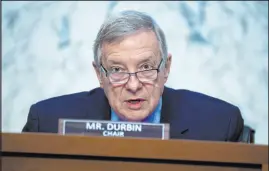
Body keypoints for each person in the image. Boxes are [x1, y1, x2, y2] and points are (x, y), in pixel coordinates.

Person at [22, 10, 244, 142]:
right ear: (99, 74)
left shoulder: (220, 125)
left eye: (146, 67)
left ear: (166, 68)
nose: (134, 84)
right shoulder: (48, 124)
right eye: (117, 70)